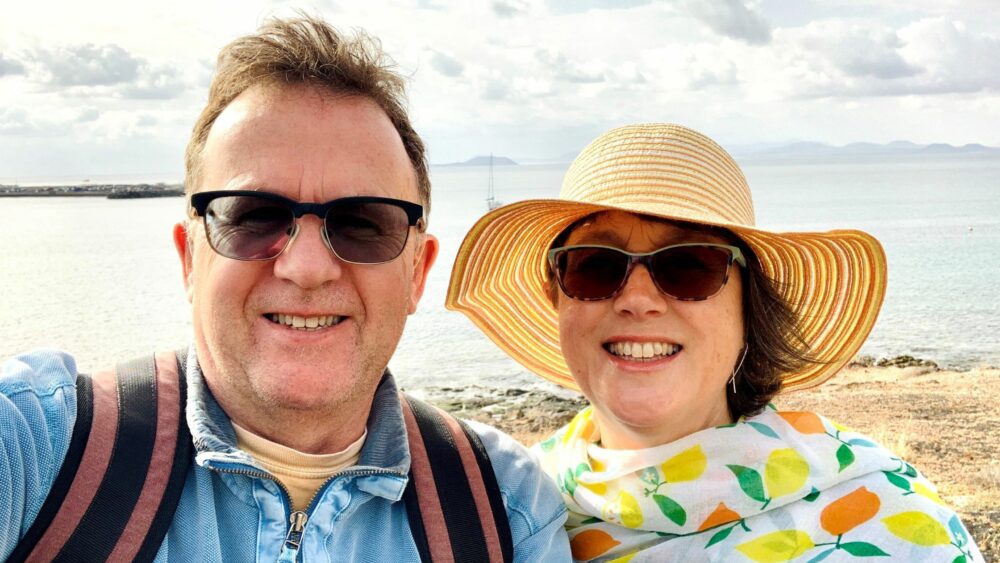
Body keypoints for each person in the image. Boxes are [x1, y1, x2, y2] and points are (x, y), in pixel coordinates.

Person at [0, 16, 571, 562]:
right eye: (253, 216)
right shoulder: (42, 451)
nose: (306, 267)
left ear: (417, 272)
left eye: (362, 224)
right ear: (189, 258)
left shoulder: (507, 512)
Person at [447, 123, 983, 561]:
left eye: (688, 266)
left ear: (749, 306)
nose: (638, 299)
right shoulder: (497, 508)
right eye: (595, 266)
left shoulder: (896, 523)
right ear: (557, 298)